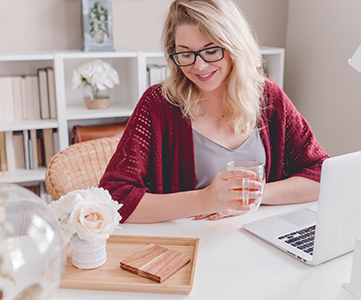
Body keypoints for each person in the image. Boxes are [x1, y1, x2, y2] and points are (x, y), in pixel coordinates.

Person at [99, 0, 329, 223]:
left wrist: (250, 196)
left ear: (234, 46)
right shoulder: (158, 104)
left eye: (211, 51)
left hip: (257, 239)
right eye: (186, 53)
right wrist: (204, 200)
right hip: (186, 247)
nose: (199, 66)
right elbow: (114, 196)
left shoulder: (269, 97)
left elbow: (323, 174)